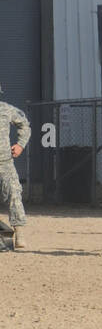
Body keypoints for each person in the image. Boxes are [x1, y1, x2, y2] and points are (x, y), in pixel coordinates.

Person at [0, 87, 31, 249]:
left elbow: (24, 124)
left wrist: (20, 145)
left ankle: (19, 233)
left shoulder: (6, 109)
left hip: (4, 162)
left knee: (14, 194)